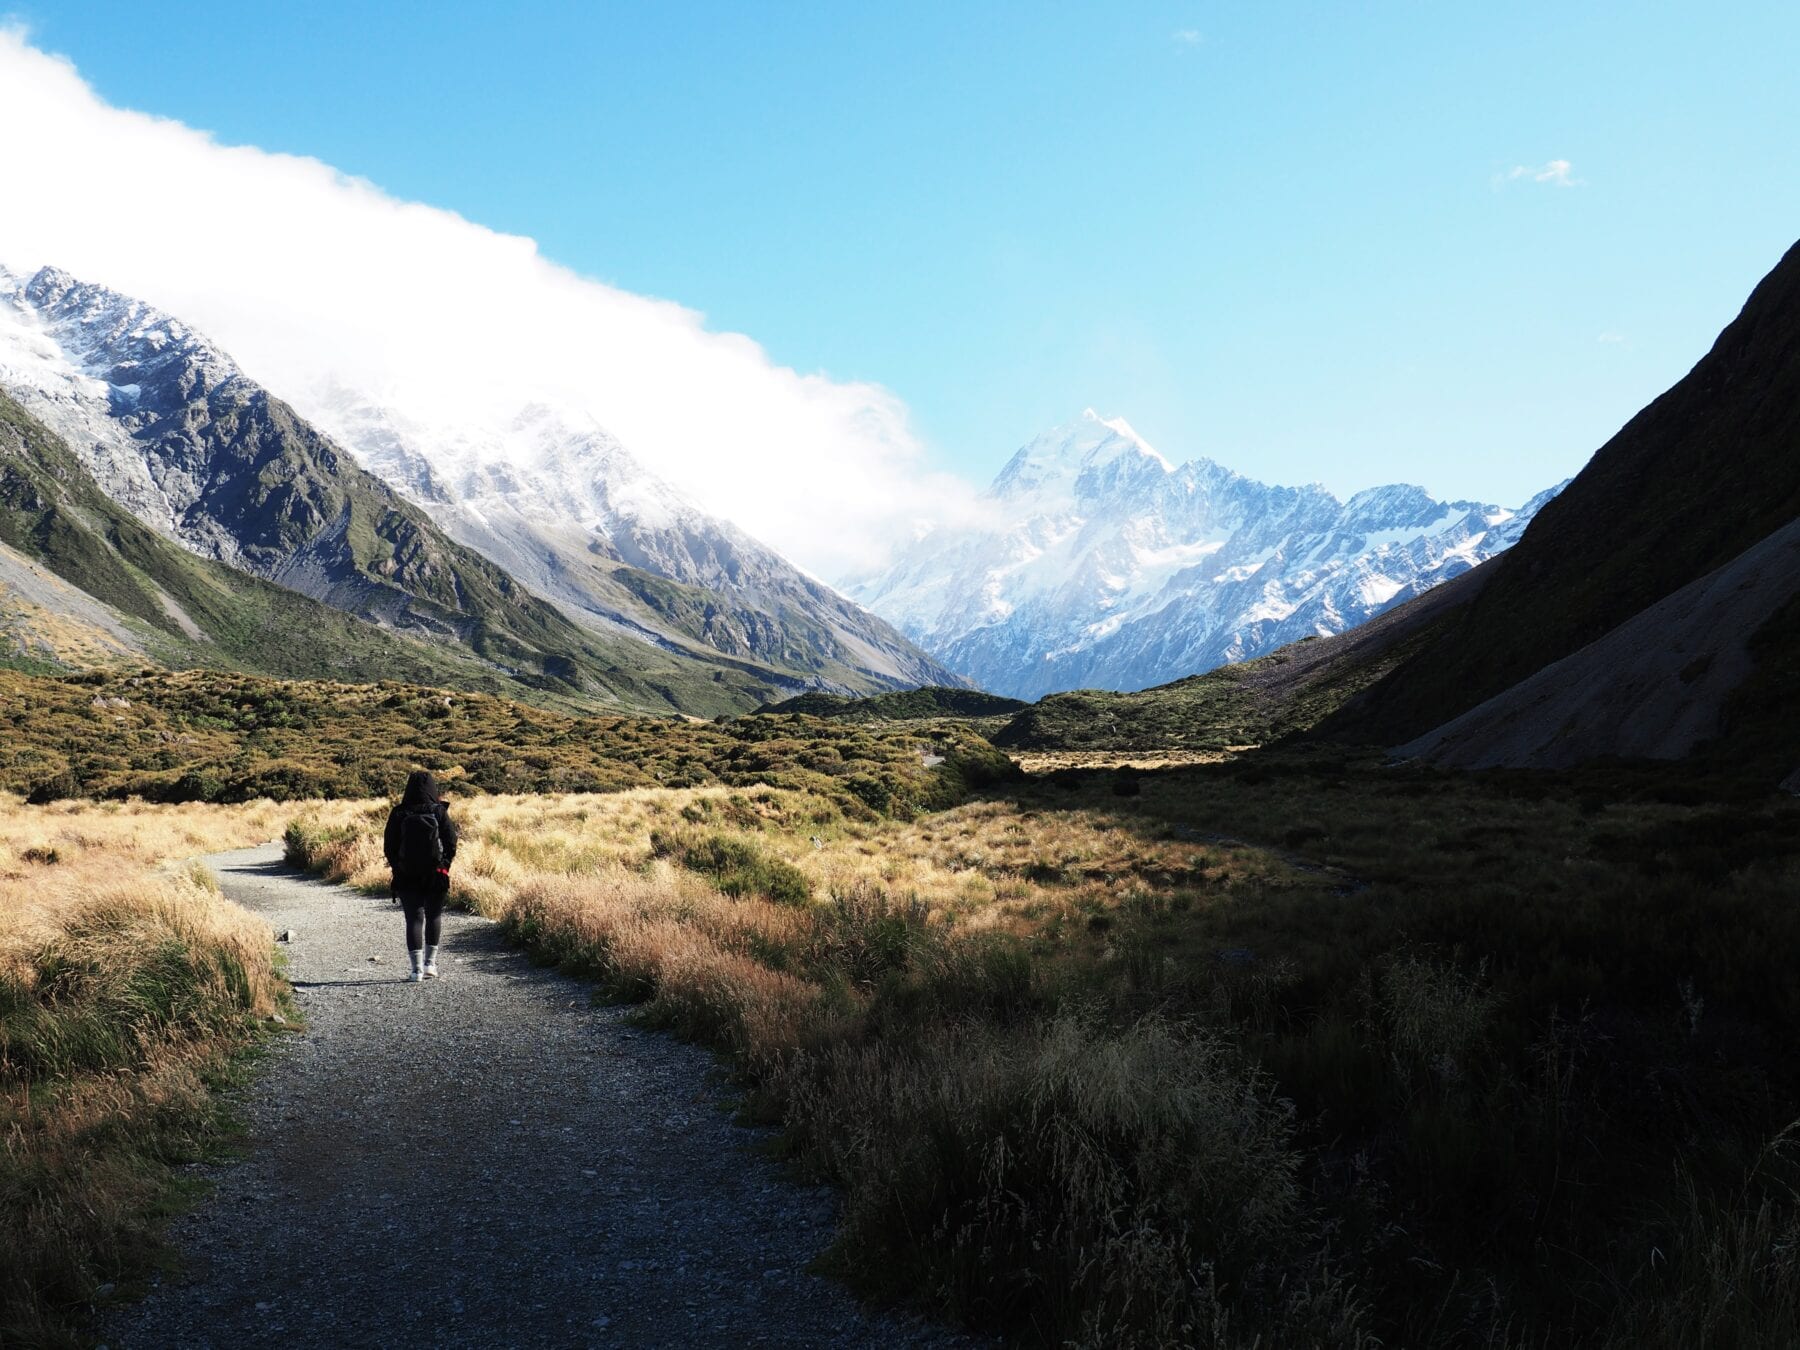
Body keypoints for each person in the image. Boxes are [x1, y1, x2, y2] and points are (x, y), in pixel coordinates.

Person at [383, 769, 458, 982]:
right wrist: (444, 866)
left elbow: (389, 846)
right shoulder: (438, 812)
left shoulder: (399, 813)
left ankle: (415, 970)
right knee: (434, 916)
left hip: (406, 875)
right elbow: (451, 843)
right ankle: (430, 965)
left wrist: (398, 868)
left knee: (414, 919)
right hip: (436, 873)